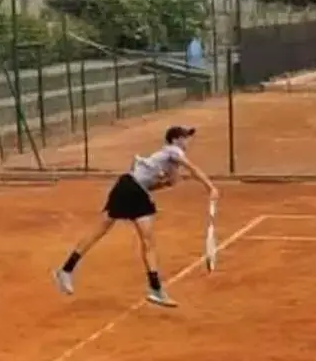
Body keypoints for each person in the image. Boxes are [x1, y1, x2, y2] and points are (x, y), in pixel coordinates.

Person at [54, 125, 218, 309]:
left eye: (188, 137)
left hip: (133, 188)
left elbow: (160, 183)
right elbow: (193, 169)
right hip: (130, 187)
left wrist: (167, 182)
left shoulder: (171, 161)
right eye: (184, 137)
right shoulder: (173, 151)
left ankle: (155, 289)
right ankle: (65, 270)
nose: (188, 140)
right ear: (174, 140)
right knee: (105, 230)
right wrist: (210, 187)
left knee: (142, 239)